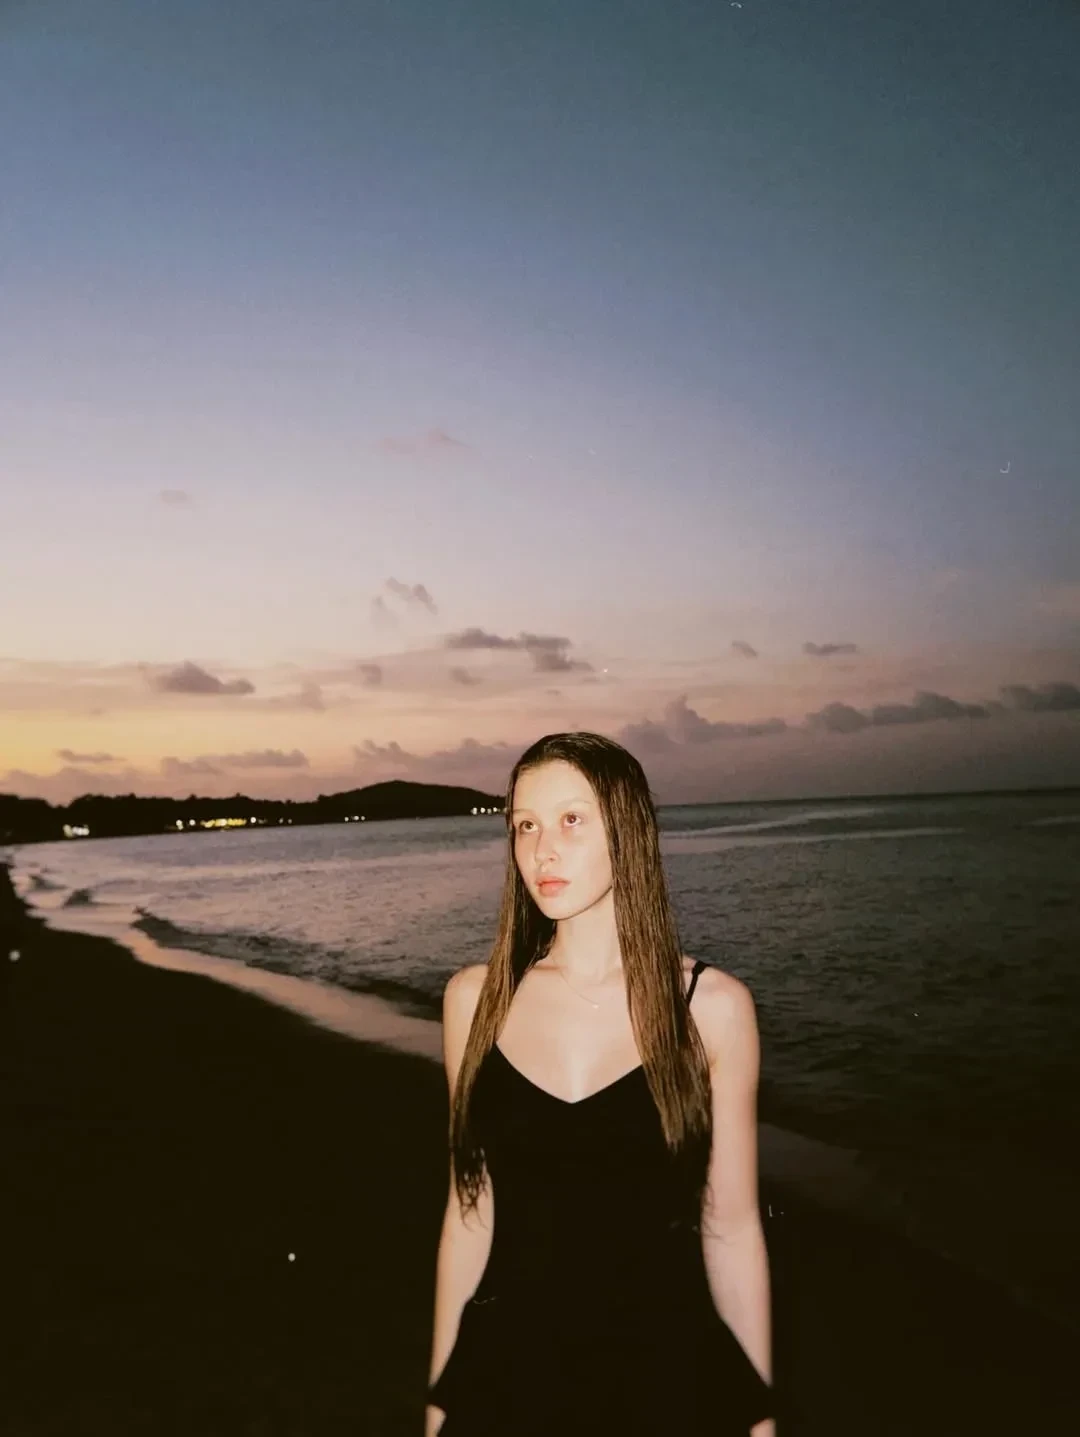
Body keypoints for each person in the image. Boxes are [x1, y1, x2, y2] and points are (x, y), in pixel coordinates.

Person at [425, 732, 776, 1436]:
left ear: (627, 830)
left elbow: (732, 1225)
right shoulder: (475, 1001)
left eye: (570, 820)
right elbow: (470, 1211)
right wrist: (438, 1405)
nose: (542, 850)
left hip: (664, 1379)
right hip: (510, 1379)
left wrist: (760, 1418)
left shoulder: (711, 1009)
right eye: (525, 825)